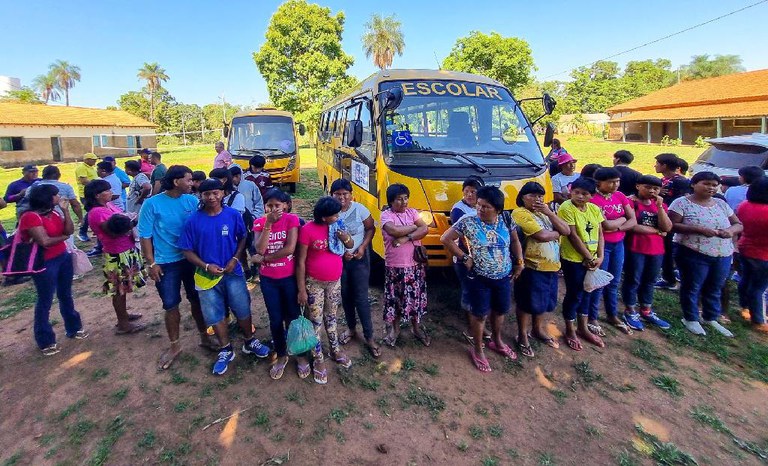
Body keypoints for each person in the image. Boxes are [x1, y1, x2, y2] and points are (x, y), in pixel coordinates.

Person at [179, 178, 270, 375]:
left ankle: (249, 341)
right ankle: (225, 349)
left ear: (222, 193)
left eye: (216, 193)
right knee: (214, 314)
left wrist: (235, 259)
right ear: (201, 196)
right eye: (207, 194)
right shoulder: (193, 221)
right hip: (206, 277)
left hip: (233, 273)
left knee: (242, 308)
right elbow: (186, 250)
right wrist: (206, 265)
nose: (211, 197)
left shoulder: (232, 215)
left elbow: (242, 237)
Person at [138, 165, 217, 370]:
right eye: (189, 180)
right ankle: (175, 346)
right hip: (165, 262)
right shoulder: (152, 205)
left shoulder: (191, 201)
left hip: (191, 260)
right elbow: (145, 235)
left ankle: (204, 337)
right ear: (176, 182)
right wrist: (151, 263)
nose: (193, 184)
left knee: (197, 299)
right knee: (171, 305)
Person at [441, 186, 524, 372]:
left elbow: (516, 241)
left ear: (498, 209)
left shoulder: (506, 219)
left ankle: (497, 340)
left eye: (486, 207)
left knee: (500, 311)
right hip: (478, 278)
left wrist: (519, 262)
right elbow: (445, 238)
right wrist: (464, 257)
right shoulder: (467, 221)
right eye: (478, 205)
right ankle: (478, 350)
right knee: (479, 315)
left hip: (503, 276)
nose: (480, 209)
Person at [669, 171, 742, 337]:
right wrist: (698, 230)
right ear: (694, 184)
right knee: (692, 285)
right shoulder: (681, 203)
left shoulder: (720, 203)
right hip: (693, 250)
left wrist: (730, 231)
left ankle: (710, 317)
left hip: (722, 253)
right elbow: (671, 225)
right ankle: (690, 317)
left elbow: (738, 224)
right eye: (706, 184)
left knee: (715, 286)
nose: (711, 188)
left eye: (714, 185)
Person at [18, 184, 87, 355]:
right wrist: (64, 237)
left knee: (65, 294)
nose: (59, 197)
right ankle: (45, 339)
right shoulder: (30, 217)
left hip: (62, 257)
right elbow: (45, 242)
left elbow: (69, 230)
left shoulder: (54, 212)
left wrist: (65, 212)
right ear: (47, 198)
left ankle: (73, 327)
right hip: (44, 263)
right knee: (45, 300)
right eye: (56, 195)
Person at [296, 197, 355, 385]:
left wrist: (344, 237)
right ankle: (318, 358)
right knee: (316, 321)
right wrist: (301, 290)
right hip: (314, 283)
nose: (338, 216)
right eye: (334, 214)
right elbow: (300, 262)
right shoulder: (307, 231)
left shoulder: (338, 225)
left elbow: (350, 244)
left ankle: (335, 349)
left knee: (331, 317)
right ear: (323, 217)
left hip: (334, 282)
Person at [512, 182, 570, 357]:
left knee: (544, 302)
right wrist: (556, 233)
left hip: (551, 266)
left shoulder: (545, 214)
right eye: (532, 196)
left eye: (540, 196)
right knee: (525, 302)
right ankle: (522, 335)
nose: (537, 200)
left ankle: (537, 329)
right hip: (531, 266)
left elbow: (566, 230)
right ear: (522, 197)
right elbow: (541, 235)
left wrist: (549, 213)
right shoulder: (520, 213)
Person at [84, 180, 147, 334]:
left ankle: (124, 316)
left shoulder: (108, 206)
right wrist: (132, 224)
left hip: (125, 249)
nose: (111, 192)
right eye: (107, 190)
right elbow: (113, 232)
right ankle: (123, 323)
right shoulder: (97, 212)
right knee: (119, 289)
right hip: (117, 253)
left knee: (123, 287)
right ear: (97, 195)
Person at [252, 188, 302, 379]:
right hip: (269, 280)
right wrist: (268, 225)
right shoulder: (259, 222)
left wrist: (264, 259)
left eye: (277, 205)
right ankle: (281, 354)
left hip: (289, 278)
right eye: (269, 205)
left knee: (293, 316)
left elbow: (289, 248)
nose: (273, 209)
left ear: (286, 206)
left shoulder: (292, 220)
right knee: (275, 319)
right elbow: (259, 248)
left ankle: (299, 353)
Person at [330, 179, 380, 358]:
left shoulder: (360, 209)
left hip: (359, 259)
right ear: (332, 195)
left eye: (345, 194)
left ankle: (369, 336)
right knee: (345, 295)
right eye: (338, 194)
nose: (342, 197)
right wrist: (342, 253)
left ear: (351, 195)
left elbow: (370, 229)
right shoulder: (329, 212)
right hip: (338, 261)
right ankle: (351, 329)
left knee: (361, 297)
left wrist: (362, 247)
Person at [558, 177, 605, 350]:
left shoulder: (594, 209)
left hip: (592, 260)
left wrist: (600, 256)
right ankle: (570, 329)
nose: (579, 196)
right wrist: (588, 257)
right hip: (573, 259)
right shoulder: (566, 208)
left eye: (584, 194)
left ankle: (583, 327)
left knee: (588, 292)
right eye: (576, 192)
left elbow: (600, 234)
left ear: (591, 196)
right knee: (575, 293)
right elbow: (572, 235)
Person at [587, 168, 637, 334]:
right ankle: (592, 317)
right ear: (599, 183)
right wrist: (622, 221)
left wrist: (618, 225)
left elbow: (633, 220)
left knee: (614, 281)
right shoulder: (593, 200)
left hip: (618, 244)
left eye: (617, 181)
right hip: (602, 246)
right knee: (599, 282)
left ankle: (612, 314)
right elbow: (605, 226)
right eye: (611, 182)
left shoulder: (620, 196)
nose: (615, 185)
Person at [380, 184, 430, 347]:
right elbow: (393, 230)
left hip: (415, 265)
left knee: (415, 297)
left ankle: (416, 328)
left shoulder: (412, 212)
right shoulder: (386, 215)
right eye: (399, 199)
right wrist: (415, 227)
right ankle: (395, 329)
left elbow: (425, 230)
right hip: (396, 266)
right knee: (395, 299)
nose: (403, 202)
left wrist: (407, 237)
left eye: (405, 198)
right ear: (391, 201)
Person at [622, 175, 673, 330]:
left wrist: (659, 207)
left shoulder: (660, 206)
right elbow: (632, 226)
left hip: (656, 250)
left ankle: (646, 309)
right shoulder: (629, 202)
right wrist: (657, 231)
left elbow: (667, 227)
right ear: (638, 186)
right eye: (648, 187)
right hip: (635, 247)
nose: (652, 191)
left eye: (655, 188)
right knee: (633, 279)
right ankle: (630, 310)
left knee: (650, 280)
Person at [737, 177, 768, 332]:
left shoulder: (745, 205)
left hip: (746, 247)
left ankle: (745, 307)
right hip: (764, 254)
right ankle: (759, 320)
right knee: (760, 288)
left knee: (746, 279)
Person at [449, 178, 483, 320]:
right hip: (464, 256)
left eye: (473, 192)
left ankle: (478, 318)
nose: (469, 195)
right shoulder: (458, 210)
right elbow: (465, 236)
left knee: (478, 289)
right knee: (469, 288)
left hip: (481, 257)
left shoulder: (482, 206)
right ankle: (471, 322)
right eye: (466, 191)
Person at [655, 153, 690, 290]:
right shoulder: (664, 180)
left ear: (664, 165)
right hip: (664, 218)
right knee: (667, 250)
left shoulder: (680, 182)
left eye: (658, 163)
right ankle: (668, 276)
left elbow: (684, 201)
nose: (655, 166)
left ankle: (670, 279)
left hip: (672, 221)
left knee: (670, 250)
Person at [230, 165, 264, 280]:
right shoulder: (228, 190)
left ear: (239, 175)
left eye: (235, 176)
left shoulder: (250, 185)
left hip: (251, 223)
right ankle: (246, 269)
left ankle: (257, 270)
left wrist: (255, 216)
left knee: (253, 246)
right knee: (240, 248)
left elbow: (258, 202)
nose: (234, 179)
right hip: (236, 225)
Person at [76, 153, 99, 242]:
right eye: (93, 160)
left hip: (93, 193)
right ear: (87, 159)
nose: (95, 161)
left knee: (94, 212)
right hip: (85, 194)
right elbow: (84, 181)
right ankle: (82, 232)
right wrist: (96, 184)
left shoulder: (91, 167)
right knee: (90, 212)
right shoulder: (82, 168)